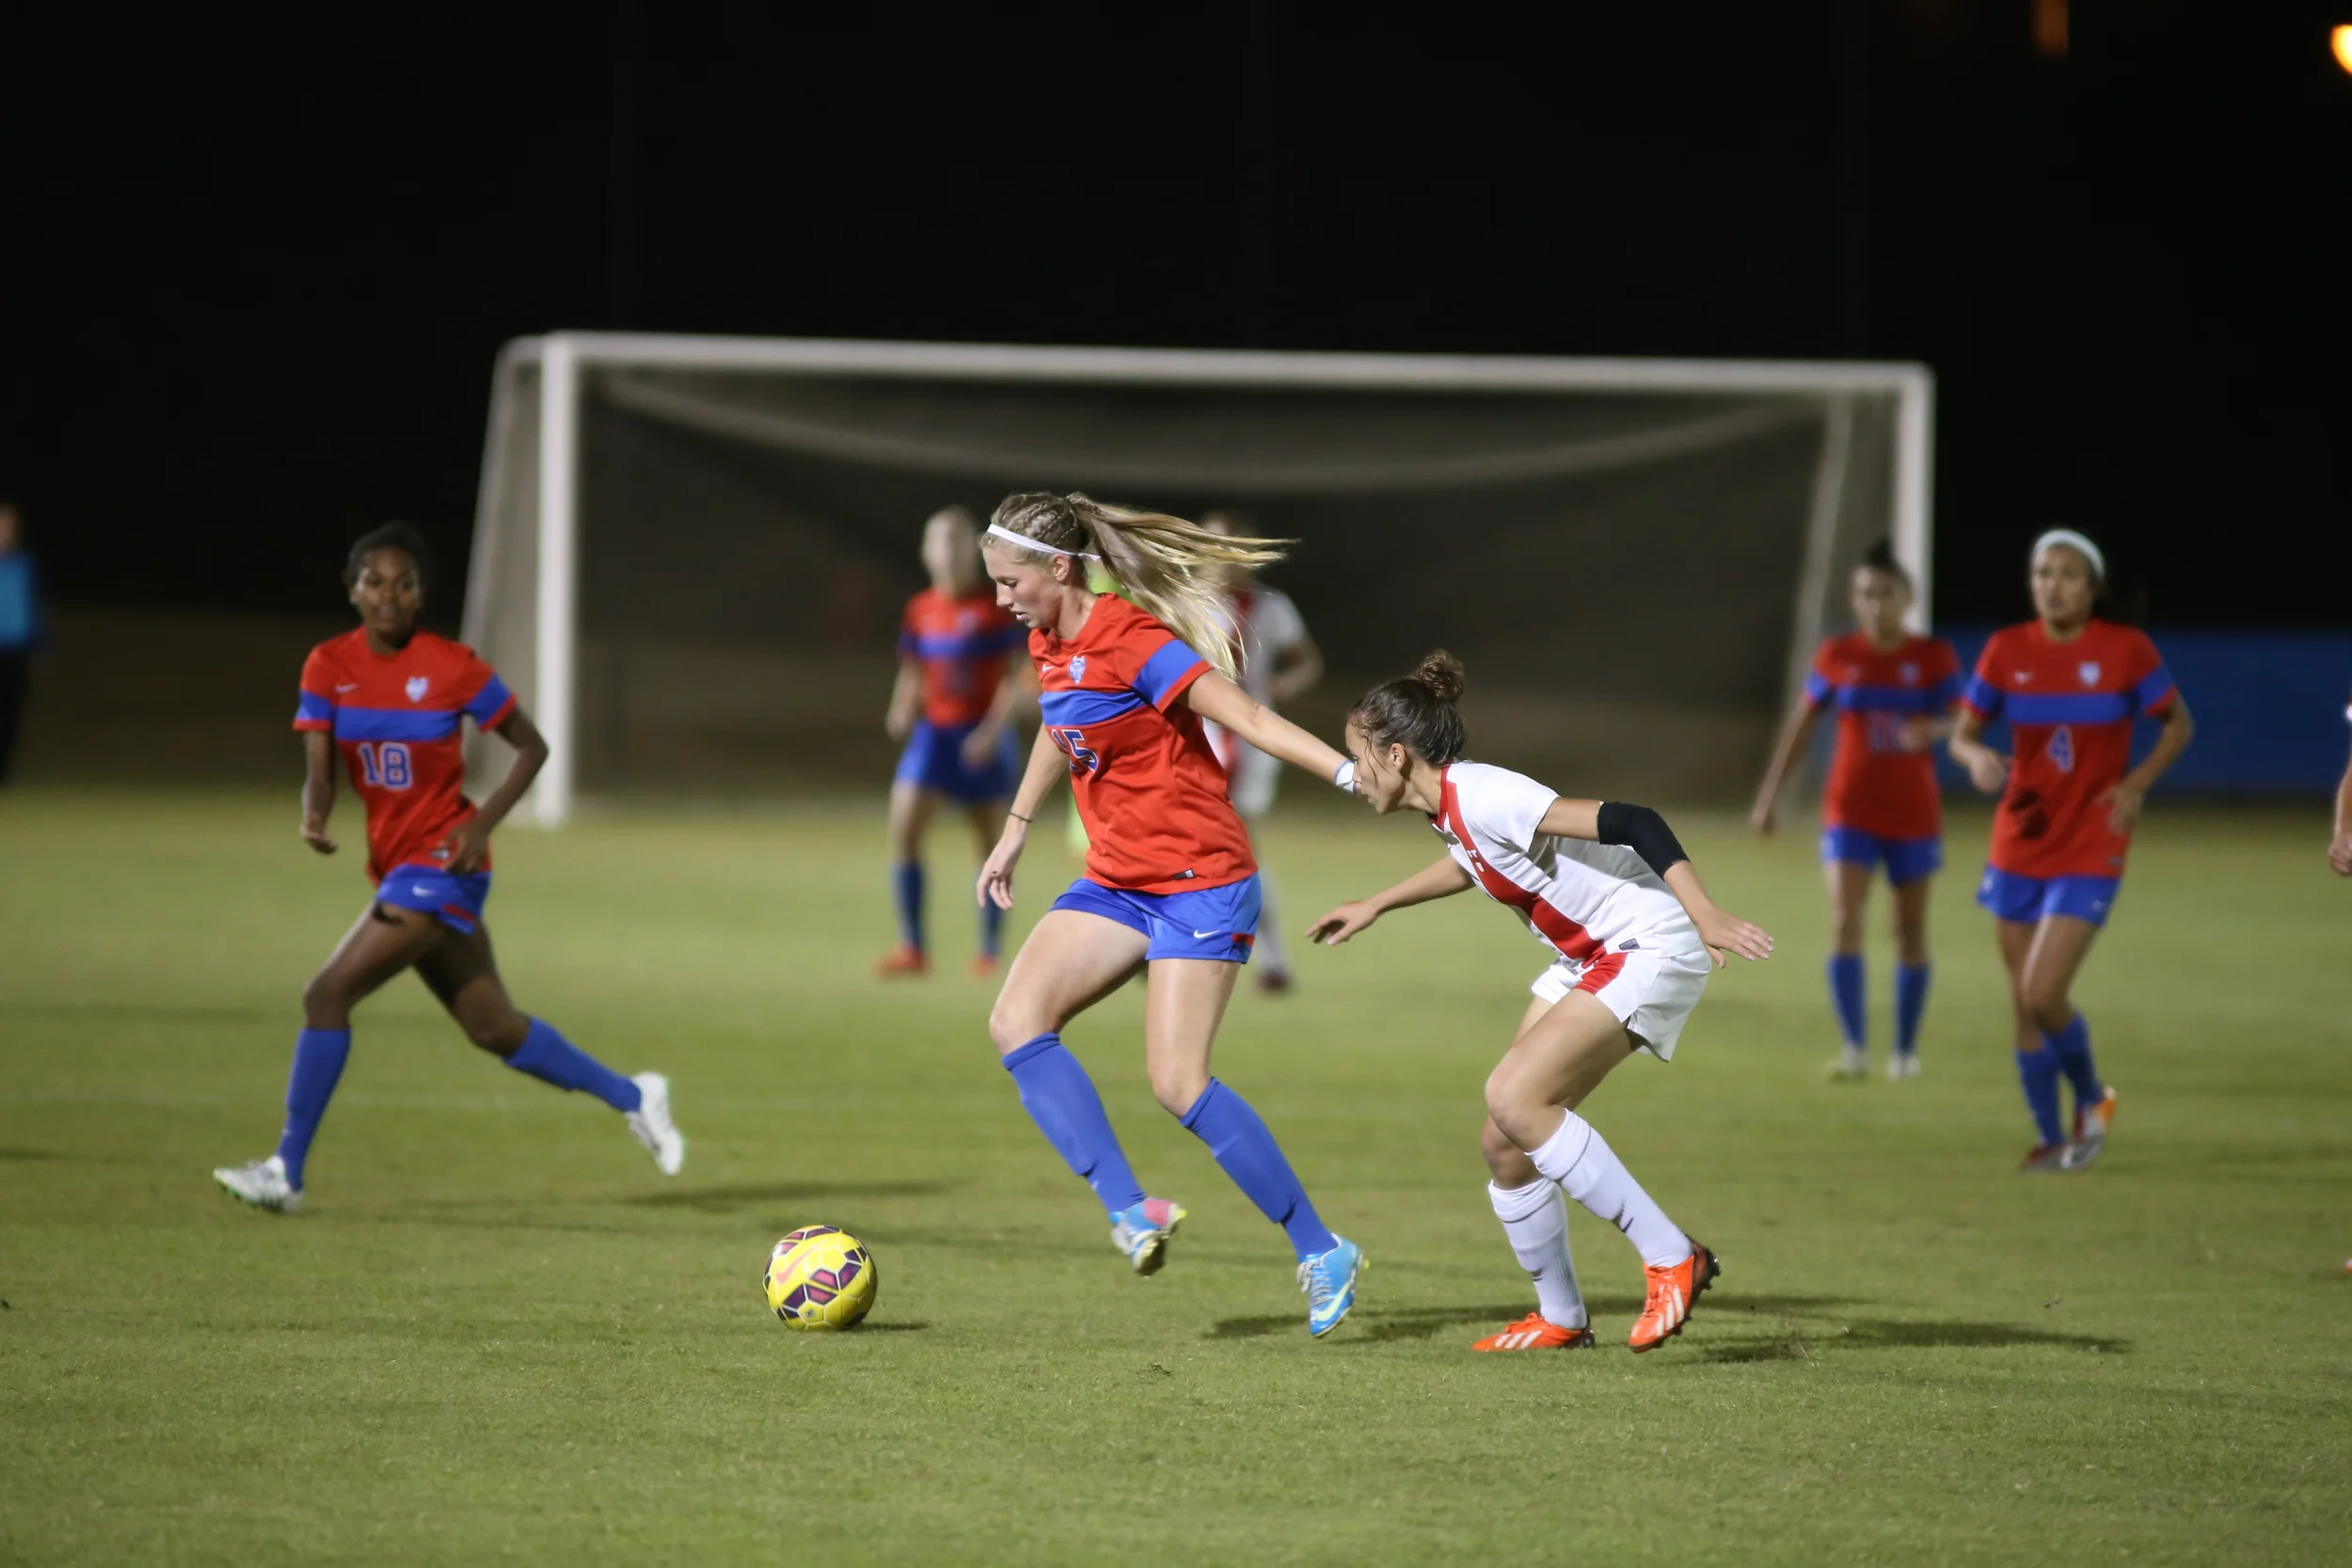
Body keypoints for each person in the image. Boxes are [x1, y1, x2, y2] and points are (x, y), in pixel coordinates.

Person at [974, 491, 1365, 1337]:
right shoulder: (1050, 641)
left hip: (1201, 880)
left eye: (1010, 582)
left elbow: (1248, 715)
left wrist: (1347, 773)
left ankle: (1322, 1247)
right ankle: (1132, 1208)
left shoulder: (1133, 639)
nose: (1002, 599)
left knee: (1177, 1083)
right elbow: (1058, 718)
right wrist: (1015, 826)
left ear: (1059, 568)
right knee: (1016, 1020)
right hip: (1117, 879)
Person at [1308, 653, 1773, 1354]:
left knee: (1516, 1095)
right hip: (1591, 954)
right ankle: (1562, 1317)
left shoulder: (1485, 793)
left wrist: (1703, 911)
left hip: (1646, 940)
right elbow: (1473, 860)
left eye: (1357, 756)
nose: (1353, 773)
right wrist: (1377, 902)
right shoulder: (1449, 807)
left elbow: (1634, 819)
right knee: (1505, 1141)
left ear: (1396, 755)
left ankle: (1672, 1254)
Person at [212, 524, 683, 1212]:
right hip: (396, 864)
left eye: (404, 583)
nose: (389, 594)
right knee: (493, 1026)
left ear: (422, 594)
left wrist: (482, 822)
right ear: (353, 590)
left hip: (444, 863)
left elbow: (533, 747)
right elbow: (321, 767)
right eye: (375, 581)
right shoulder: (327, 665)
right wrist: (315, 812)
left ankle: (286, 1171)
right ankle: (634, 1094)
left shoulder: (452, 666)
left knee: (326, 995)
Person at [1947, 529, 2193, 1173]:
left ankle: (2090, 1097)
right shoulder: (2007, 649)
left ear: (2093, 587)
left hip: (2092, 838)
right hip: (2020, 838)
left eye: (2067, 574)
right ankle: (2050, 1138)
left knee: (2044, 990)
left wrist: (2135, 785)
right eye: (2042, 573)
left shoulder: (2125, 650)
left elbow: (2178, 723)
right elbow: (1963, 733)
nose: (2051, 585)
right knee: (2022, 999)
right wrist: (1975, 757)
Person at [1750, 539, 1963, 1079]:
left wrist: (1935, 729)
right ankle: (1854, 1049)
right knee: (1845, 920)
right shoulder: (1838, 656)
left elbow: (1966, 720)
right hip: (1849, 812)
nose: (1875, 603)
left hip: (1913, 817)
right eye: (1866, 593)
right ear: (1854, 599)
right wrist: (1770, 796)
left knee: (1908, 931)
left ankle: (1905, 1052)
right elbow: (1802, 726)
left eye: (1885, 593)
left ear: (1907, 599)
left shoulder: (1932, 658)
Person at [878, 505, 1031, 977]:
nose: (947, 551)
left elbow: (1014, 678)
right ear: (926, 551)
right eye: (939, 541)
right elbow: (913, 669)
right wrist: (902, 705)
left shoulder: (994, 609)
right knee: (904, 830)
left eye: (957, 541)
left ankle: (989, 951)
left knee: (988, 846)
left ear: (973, 551)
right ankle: (913, 947)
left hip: (980, 739)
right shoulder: (920, 609)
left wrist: (991, 732)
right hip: (933, 738)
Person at [1199, 508, 1324, 992]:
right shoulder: (1187, 601)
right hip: (1198, 736)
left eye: (1227, 546)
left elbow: (1307, 661)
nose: (1217, 555)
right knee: (1211, 845)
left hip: (1248, 741)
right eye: (1210, 544)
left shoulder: (1270, 606)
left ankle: (1270, 959)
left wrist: (1284, 683)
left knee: (1238, 845)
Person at [0, 501, 42, 785]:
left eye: (7, 525)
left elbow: (32, 608)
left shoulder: (23, 565)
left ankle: (3, 771)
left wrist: (37, 645)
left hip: (16, 652)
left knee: (11, 713)